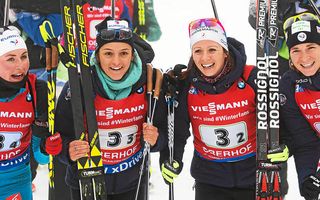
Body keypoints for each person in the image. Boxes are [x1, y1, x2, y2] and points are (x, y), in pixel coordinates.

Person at [159, 18, 289, 200]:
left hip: (257, 178)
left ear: (225, 52)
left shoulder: (251, 78)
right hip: (210, 182)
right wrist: (171, 158)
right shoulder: (187, 86)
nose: (205, 58)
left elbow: (279, 119)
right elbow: (178, 132)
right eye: (198, 51)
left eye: (212, 49)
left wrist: (286, 146)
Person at [55, 16, 167, 200]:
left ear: (132, 54)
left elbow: (165, 133)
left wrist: (157, 139)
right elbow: (59, 136)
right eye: (108, 53)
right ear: (97, 55)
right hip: (87, 182)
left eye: (124, 53)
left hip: (134, 183)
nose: (116, 62)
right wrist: (68, 150)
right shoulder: (79, 83)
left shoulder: (149, 82)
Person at [0, 26, 62, 199]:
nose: (20, 65)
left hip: (17, 179)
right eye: (11, 59)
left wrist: (47, 147)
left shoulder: (38, 90)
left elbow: (41, 158)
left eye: (24, 57)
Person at [280, 12, 320, 200]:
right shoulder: (289, 85)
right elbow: (305, 141)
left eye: (311, 47)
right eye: (296, 50)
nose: (304, 57)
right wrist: (307, 176)